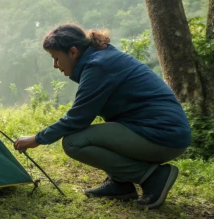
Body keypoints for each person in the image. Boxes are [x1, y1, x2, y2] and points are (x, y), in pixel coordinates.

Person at [14, 24, 191, 208]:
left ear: (73, 52)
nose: (55, 65)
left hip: (163, 135)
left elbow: (78, 118)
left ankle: (152, 177)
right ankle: (120, 184)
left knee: (73, 142)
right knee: (91, 134)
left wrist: (37, 139)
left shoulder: (98, 66)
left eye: (56, 58)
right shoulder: (101, 58)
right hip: (159, 132)